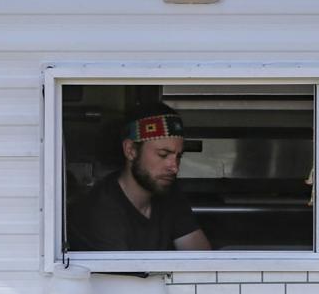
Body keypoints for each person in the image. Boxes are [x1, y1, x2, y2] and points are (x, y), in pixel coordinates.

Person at [67, 102, 212, 252]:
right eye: (163, 154)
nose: (174, 167)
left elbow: (201, 258)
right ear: (130, 150)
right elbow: (123, 275)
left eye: (178, 156)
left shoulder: (166, 191)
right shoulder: (99, 211)